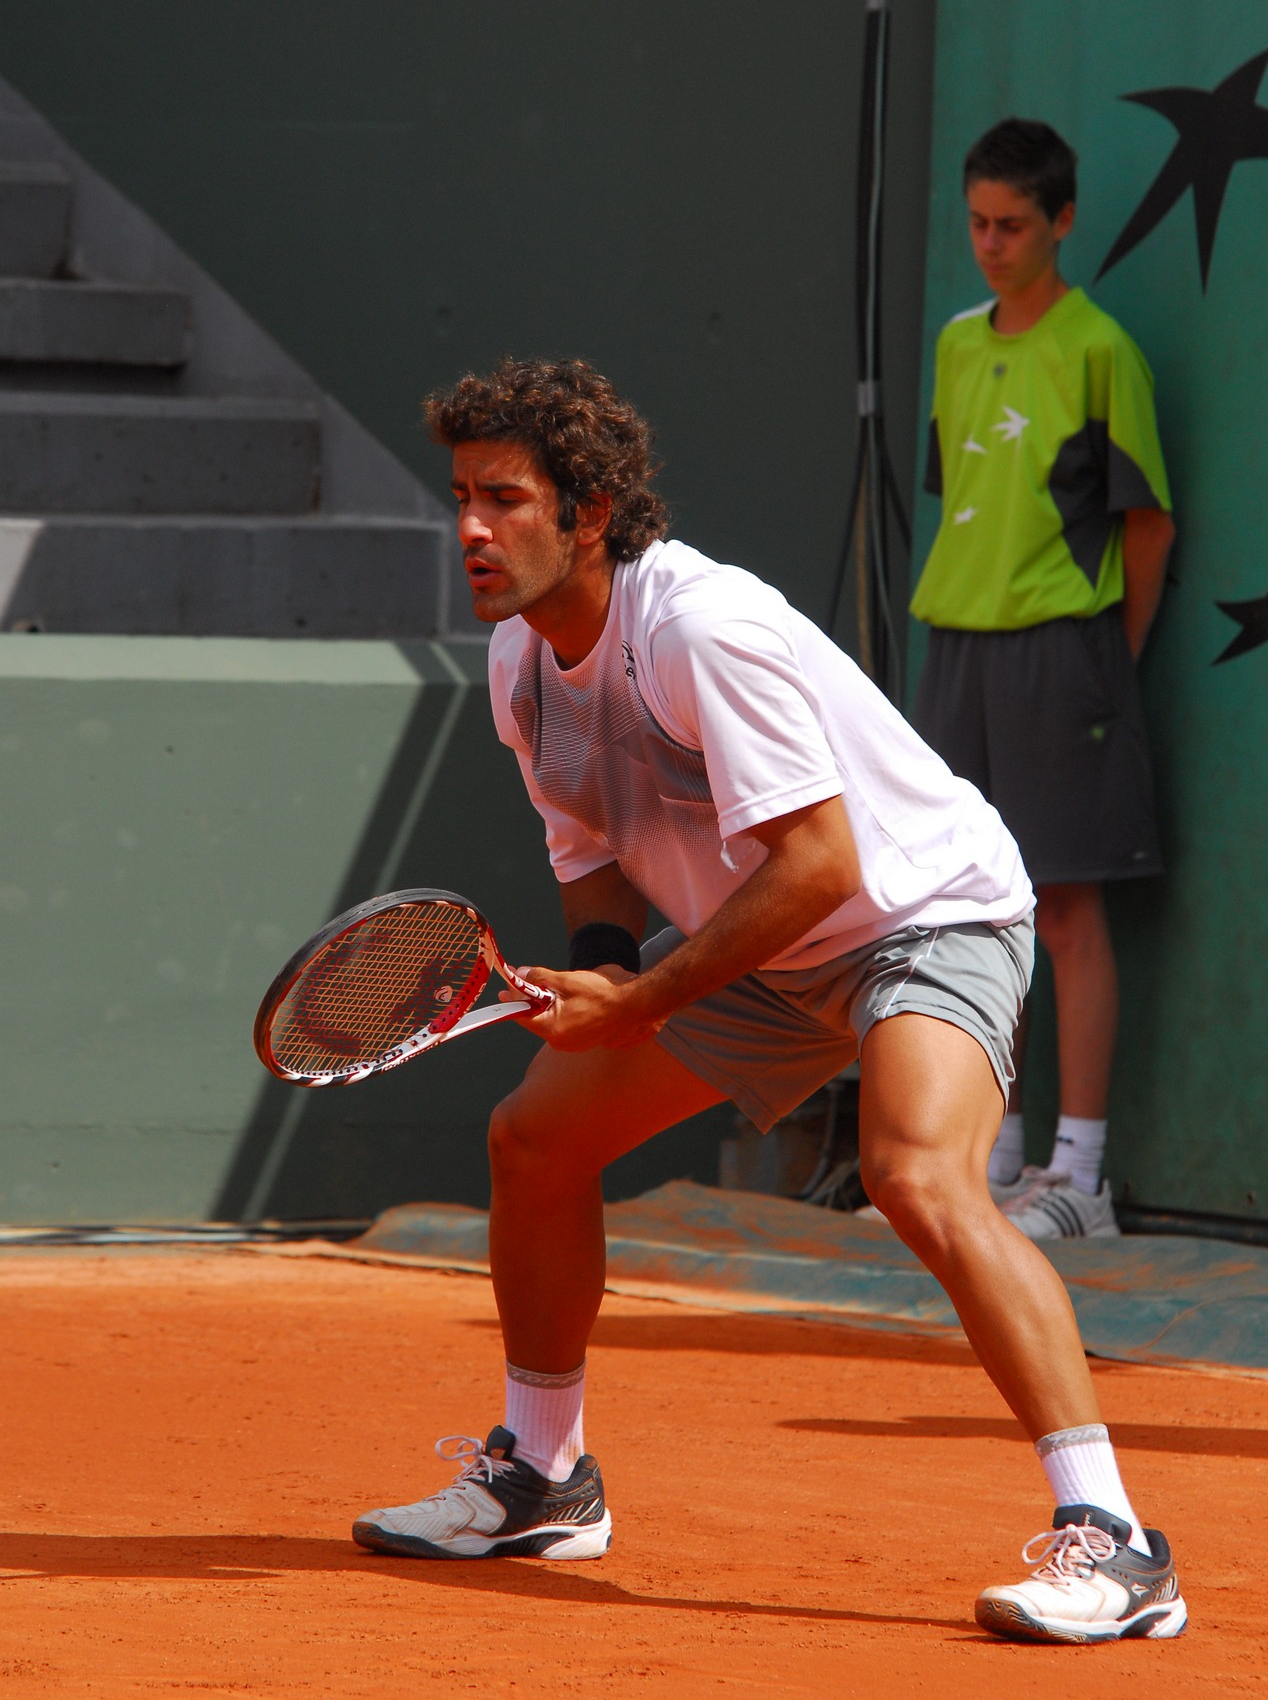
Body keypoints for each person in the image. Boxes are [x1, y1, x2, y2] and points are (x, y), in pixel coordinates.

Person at [352, 356, 1186, 1643]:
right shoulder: (522, 663)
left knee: (916, 1173)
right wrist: (607, 971)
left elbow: (823, 864)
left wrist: (639, 1001)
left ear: (587, 512)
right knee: (536, 1138)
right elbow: (594, 854)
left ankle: (1117, 1540)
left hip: (924, 913)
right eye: (461, 495)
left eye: (503, 498)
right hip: (765, 945)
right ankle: (542, 1476)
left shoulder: (699, 629)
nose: (470, 526)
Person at [910, 119, 1176, 1244]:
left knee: (1063, 909)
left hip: (1064, 654)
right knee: (972, 911)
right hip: (956, 654)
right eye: (977, 223)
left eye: (1012, 225)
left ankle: (1083, 1178)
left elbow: (1148, 525)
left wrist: (1109, 659)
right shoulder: (954, 344)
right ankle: (993, 1155)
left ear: (1062, 222)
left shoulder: (1102, 348)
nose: (990, 244)